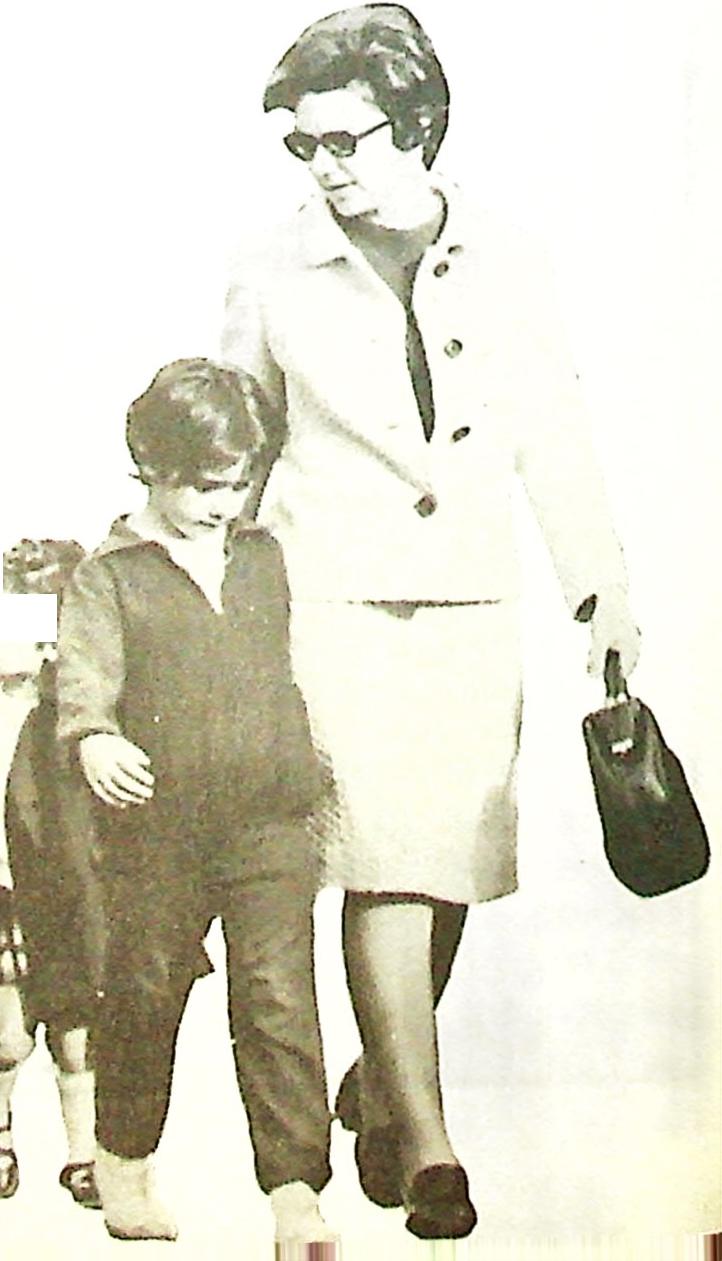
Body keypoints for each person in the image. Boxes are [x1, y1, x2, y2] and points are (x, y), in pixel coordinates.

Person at [221, 3, 641, 1240]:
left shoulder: (508, 256)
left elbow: (551, 431)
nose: (322, 166)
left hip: (469, 597)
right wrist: (194, 595)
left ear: (415, 125)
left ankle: (380, 1084)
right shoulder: (268, 265)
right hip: (327, 600)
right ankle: (430, 1145)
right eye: (300, 144)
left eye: (343, 140)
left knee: (445, 856)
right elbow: (237, 441)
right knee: (385, 860)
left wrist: (599, 588)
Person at [55, 358, 337, 1245]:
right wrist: (95, 738)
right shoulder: (110, 574)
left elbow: (305, 662)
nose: (225, 502)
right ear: (153, 465)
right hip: (158, 829)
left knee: (278, 999)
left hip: (269, 820)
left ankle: (295, 1190)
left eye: (238, 482)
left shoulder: (261, 556)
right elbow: (84, 683)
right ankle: (123, 1161)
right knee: (144, 992)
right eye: (206, 485)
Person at [1, 539, 102, 1210]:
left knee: (77, 1029)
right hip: (5, 887)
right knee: (7, 1034)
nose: (42, 653)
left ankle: (85, 1154)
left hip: (66, 889)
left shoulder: (78, 718)